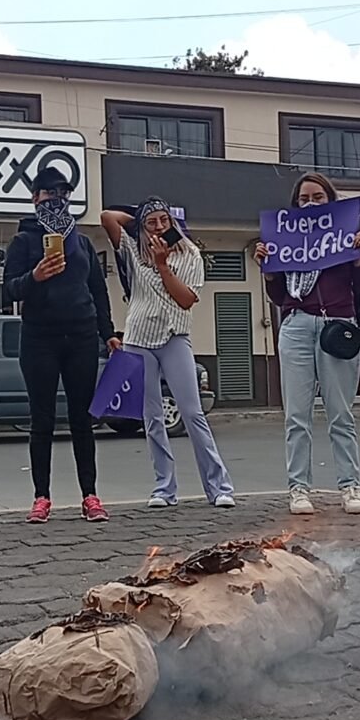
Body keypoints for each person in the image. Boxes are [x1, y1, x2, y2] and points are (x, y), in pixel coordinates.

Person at [101, 198, 235, 509]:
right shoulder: (133, 251)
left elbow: (186, 300)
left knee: (192, 412)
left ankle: (219, 487)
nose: (159, 227)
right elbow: (108, 217)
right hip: (139, 338)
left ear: (173, 222)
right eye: (153, 223)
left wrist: (162, 265)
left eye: (164, 220)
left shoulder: (190, 254)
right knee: (152, 417)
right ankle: (164, 488)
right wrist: (139, 220)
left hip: (175, 337)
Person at [2, 165, 119, 523]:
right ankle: (42, 497)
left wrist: (108, 333)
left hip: (81, 334)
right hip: (39, 336)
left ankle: (90, 496)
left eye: (62, 193)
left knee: (83, 419)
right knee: (42, 420)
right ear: (35, 198)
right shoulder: (24, 240)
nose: (56, 199)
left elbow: (97, 290)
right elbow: (9, 288)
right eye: (49, 193)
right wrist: (35, 276)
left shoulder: (81, 242)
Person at [255, 172, 360, 516]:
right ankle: (298, 488)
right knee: (296, 415)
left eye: (318, 197)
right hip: (296, 324)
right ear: (295, 205)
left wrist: (358, 258)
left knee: (341, 414)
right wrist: (270, 270)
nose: (310, 203)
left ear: (330, 201)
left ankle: (350, 486)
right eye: (304, 199)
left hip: (337, 324)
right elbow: (279, 296)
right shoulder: (285, 239)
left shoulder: (345, 237)